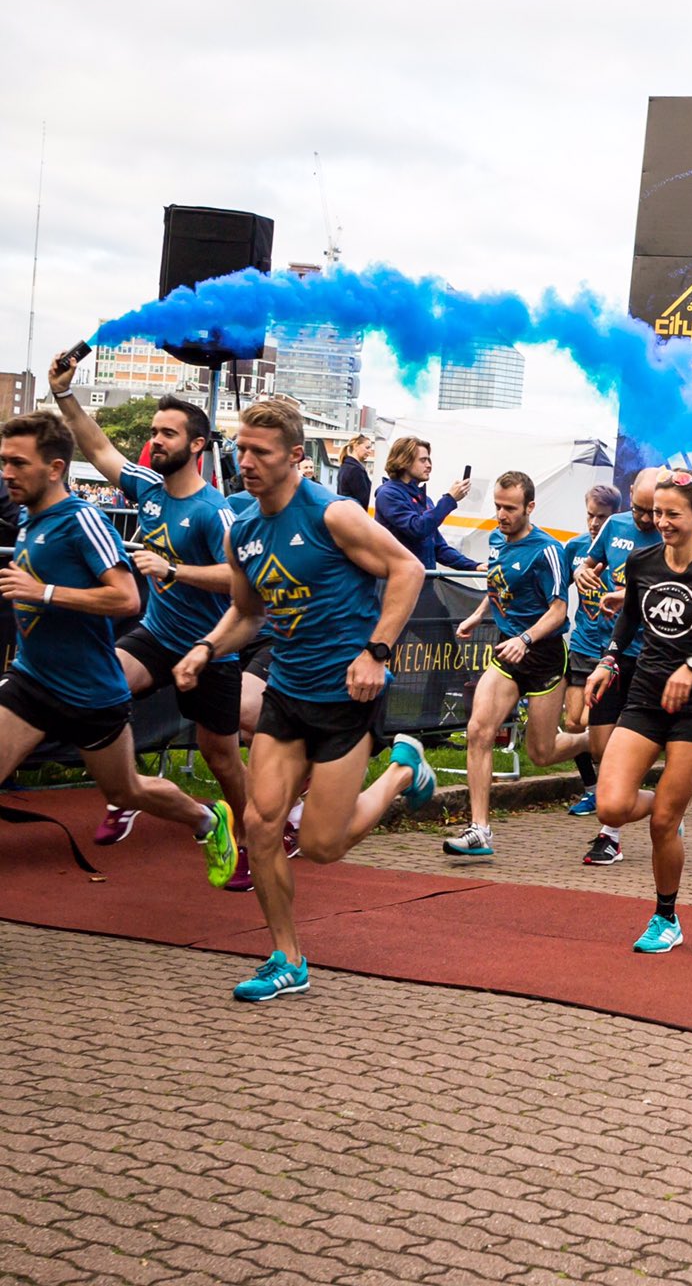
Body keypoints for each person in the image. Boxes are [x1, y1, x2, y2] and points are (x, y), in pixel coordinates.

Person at [175, 398, 436, 1001]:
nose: (246, 461)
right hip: (287, 692)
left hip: (345, 695)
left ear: (295, 457)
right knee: (260, 825)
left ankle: (402, 769)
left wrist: (376, 652)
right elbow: (247, 612)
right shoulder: (243, 530)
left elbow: (407, 571)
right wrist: (206, 649)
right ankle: (287, 958)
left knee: (322, 845)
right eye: (240, 449)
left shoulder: (334, 515)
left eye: (260, 452)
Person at [0, 411, 240, 888]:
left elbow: (126, 598)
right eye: (4, 462)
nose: (7, 473)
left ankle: (209, 822)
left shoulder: (84, 519)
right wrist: (65, 395)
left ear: (52, 469)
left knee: (133, 786)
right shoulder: (31, 517)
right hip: (34, 679)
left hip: (97, 692)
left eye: (18, 464)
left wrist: (41, 592)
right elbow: (101, 449)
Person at [49, 361, 250, 885]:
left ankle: (249, 840)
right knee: (104, 683)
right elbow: (98, 449)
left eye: (166, 434)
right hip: (157, 636)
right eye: (154, 432)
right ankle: (128, 791)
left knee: (222, 759)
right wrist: (65, 393)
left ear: (198, 445)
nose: (154, 441)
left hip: (210, 649)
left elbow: (239, 581)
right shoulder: (147, 488)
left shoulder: (215, 511)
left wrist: (173, 569)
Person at [586, 472, 692, 952]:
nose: (660, 522)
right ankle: (667, 804)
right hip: (644, 696)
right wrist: (607, 661)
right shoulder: (641, 562)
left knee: (663, 823)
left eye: (672, 514)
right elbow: (629, 619)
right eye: (656, 513)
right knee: (612, 807)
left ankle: (666, 918)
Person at [443, 472, 587, 859]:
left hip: (542, 655)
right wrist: (477, 615)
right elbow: (499, 586)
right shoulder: (494, 541)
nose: (501, 515)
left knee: (541, 753)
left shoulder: (548, 551)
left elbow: (558, 611)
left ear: (530, 508)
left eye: (509, 508)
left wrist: (527, 639)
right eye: (497, 506)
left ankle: (595, 741)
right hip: (508, 653)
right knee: (478, 730)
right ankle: (479, 830)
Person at [573, 469, 666, 866]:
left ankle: (609, 835)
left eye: (654, 510)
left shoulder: (671, 533)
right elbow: (592, 562)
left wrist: (628, 595)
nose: (648, 519)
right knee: (598, 746)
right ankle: (663, 807)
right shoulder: (614, 525)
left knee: (628, 751)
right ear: (630, 495)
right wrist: (582, 571)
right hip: (612, 651)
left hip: (654, 655)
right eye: (642, 510)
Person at [559, 483, 622, 815]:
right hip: (583, 644)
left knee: (592, 724)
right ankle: (593, 788)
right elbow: (556, 589)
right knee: (573, 724)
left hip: (613, 649)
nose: (594, 523)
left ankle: (615, 778)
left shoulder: (623, 549)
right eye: (590, 515)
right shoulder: (577, 548)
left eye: (601, 517)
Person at [372, 436, 481, 573]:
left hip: (424, 580)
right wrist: (449, 499)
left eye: (429, 460)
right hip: (399, 581)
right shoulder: (388, 495)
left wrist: (474, 566)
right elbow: (417, 528)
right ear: (404, 462)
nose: (429, 465)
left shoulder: (425, 499)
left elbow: (438, 547)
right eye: (423, 460)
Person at [336, 435, 375, 509]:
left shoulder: (345, 466)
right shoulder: (356, 470)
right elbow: (365, 499)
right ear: (356, 446)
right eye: (367, 448)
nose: (370, 452)